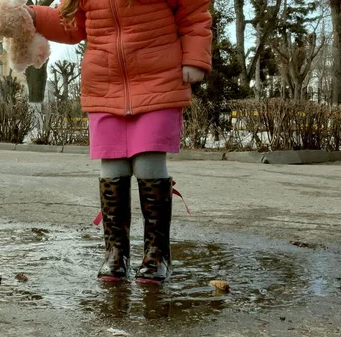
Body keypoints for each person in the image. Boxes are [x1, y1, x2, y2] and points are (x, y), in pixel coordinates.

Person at [27, 0, 212, 284]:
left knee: (148, 160)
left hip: (159, 79)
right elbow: (71, 24)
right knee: (112, 165)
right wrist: (32, 16)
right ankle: (116, 253)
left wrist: (195, 58)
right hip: (105, 86)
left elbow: (193, 13)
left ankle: (157, 253)